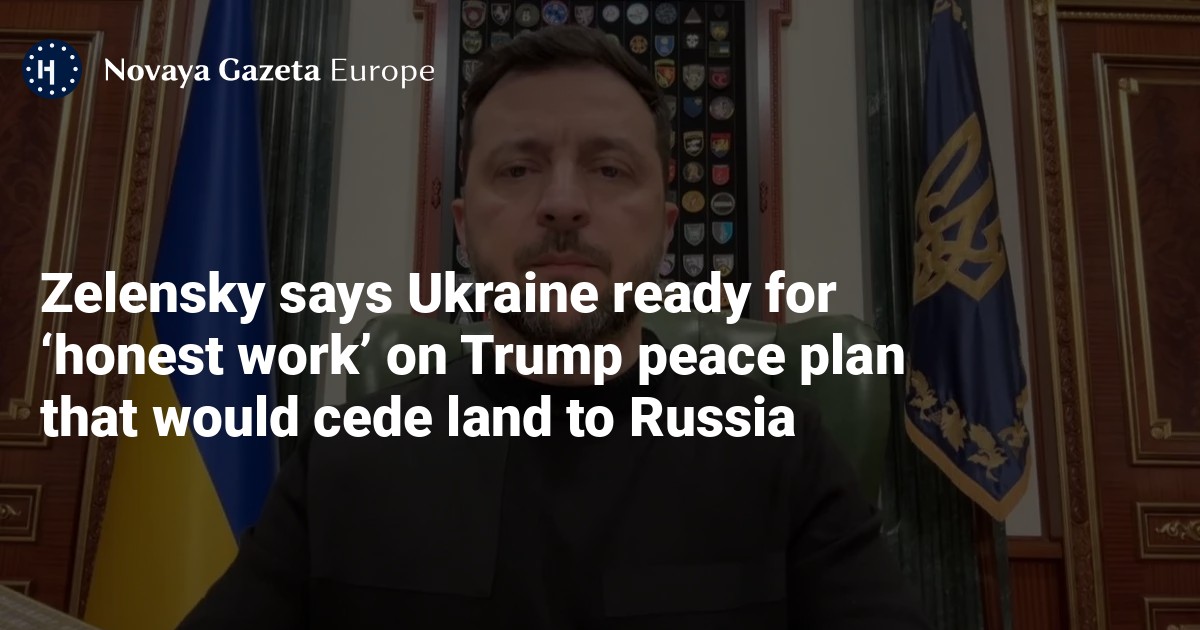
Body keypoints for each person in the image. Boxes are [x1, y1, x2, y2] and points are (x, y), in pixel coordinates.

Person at [178, 25, 930, 629]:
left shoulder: (783, 449)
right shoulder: (344, 460)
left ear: (665, 230)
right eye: (517, 169)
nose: (563, 203)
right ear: (463, 227)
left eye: (609, 169)